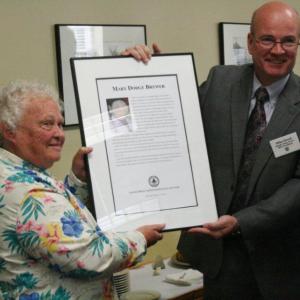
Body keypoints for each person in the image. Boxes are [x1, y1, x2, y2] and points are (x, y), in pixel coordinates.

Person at [123, 1, 300, 299]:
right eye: (268, 39)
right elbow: (173, 122)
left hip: (281, 261)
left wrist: (242, 221)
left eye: (288, 41)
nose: (278, 50)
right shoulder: (220, 81)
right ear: (250, 42)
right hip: (218, 261)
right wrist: (152, 73)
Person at [0, 80, 165, 299]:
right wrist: (140, 238)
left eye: (60, 124)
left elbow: (57, 227)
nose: (59, 133)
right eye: (47, 124)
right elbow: (89, 259)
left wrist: (77, 180)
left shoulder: (16, 173)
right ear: (9, 131)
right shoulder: (27, 193)